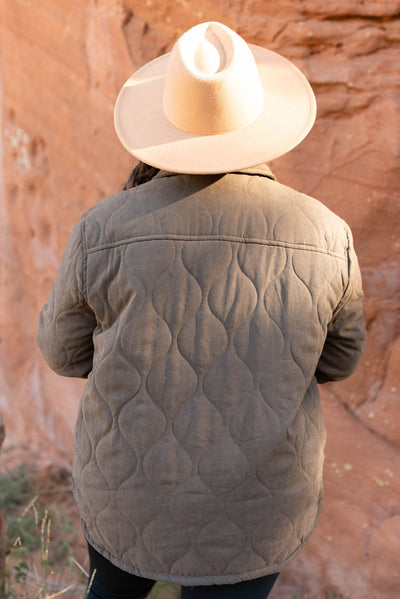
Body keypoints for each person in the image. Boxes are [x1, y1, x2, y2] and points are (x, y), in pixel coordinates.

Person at [37, 21, 367, 599]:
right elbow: (339, 361)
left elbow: (62, 354)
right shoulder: (325, 233)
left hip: (127, 488)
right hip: (256, 500)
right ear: (260, 122)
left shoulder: (104, 227)